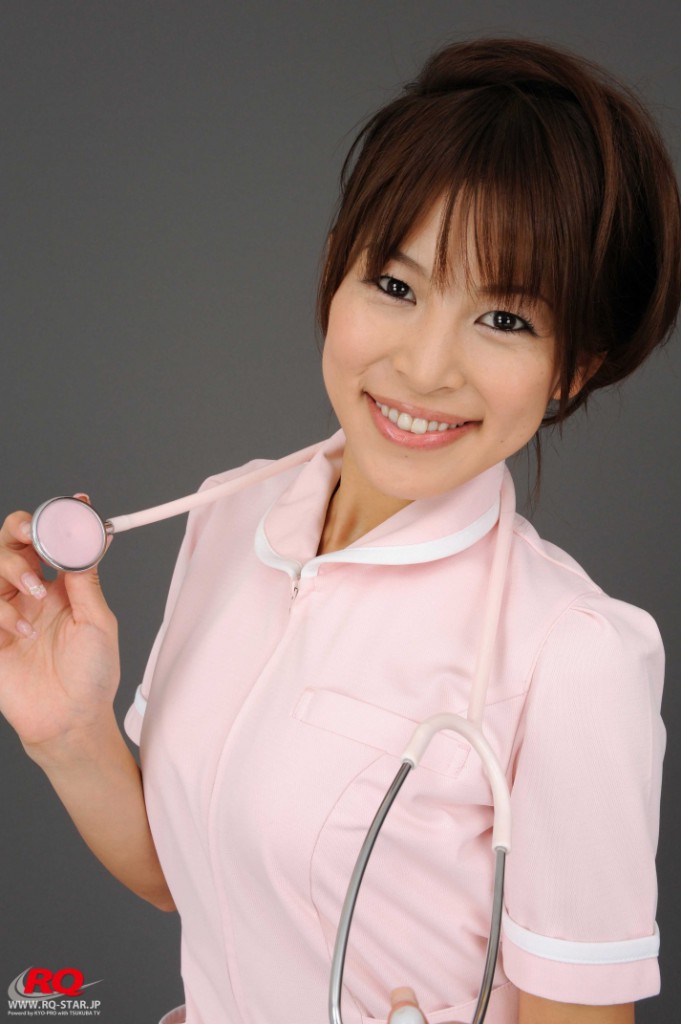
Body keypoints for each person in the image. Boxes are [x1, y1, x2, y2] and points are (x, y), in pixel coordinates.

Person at [1, 36, 679, 1024]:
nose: (425, 367)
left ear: (573, 366)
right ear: (335, 270)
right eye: (395, 287)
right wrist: (66, 730)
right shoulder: (229, 517)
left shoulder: (573, 655)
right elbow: (189, 874)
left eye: (505, 320)